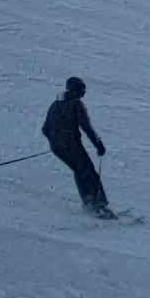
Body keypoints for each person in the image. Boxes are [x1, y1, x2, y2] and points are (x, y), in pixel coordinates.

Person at [41, 76, 110, 216]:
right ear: (75, 90)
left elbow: (45, 129)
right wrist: (99, 145)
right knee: (89, 172)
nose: (83, 93)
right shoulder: (76, 104)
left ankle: (88, 201)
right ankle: (99, 205)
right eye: (81, 89)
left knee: (79, 171)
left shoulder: (55, 104)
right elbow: (86, 127)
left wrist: (56, 142)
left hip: (57, 148)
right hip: (71, 145)